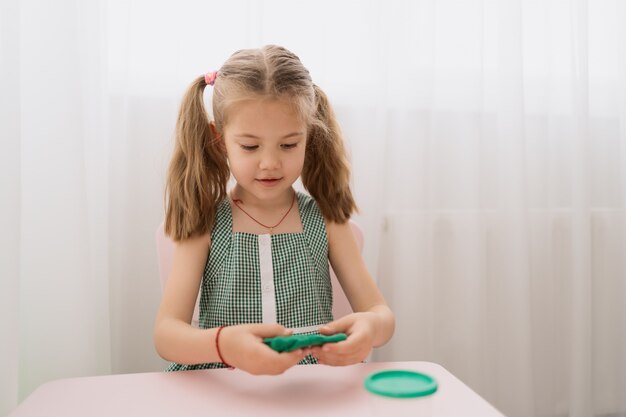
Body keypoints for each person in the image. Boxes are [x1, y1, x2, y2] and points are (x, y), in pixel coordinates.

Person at [154, 45, 395, 375]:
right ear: (219, 140)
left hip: (310, 385)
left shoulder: (325, 219)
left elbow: (380, 314)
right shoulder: (204, 220)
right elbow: (166, 335)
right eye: (250, 146)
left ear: (309, 136)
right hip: (224, 386)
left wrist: (369, 328)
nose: (270, 163)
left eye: (289, 144)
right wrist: (225, 346)